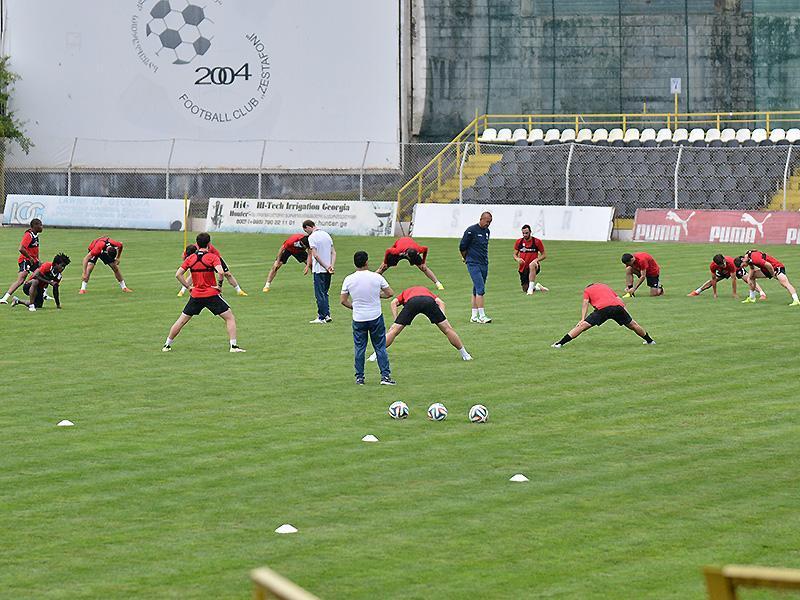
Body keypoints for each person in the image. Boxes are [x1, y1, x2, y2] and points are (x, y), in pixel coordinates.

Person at [163, 233, 245, 352]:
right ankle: (233, 346)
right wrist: (219, 286)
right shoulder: (212, 257)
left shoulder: (190, 258)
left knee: (181, 321)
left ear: (197, 243)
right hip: (211, 294)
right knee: (229, 318)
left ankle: (167, 345)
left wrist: (188, 287)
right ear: (209, 243)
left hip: (196, 295)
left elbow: (178, 274)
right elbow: (221, 272)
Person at [369, 285, 472, 362]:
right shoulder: (427, 291)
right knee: (447, 329)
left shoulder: (405, 293)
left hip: (412, 302)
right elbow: (441, 302)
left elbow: (393, 302)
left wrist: (396, 320)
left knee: (393, 331)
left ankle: (375, 355)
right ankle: (465, 354)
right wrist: (442, 317)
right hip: (428, 301)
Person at [340, 250, 395, 385]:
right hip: (375, 316)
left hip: (359, 318)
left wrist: (355, 307)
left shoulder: (349, 279)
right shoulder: (376, 277)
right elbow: (389, 293)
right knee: (380, 347)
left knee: (360, 348)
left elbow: (343, 300)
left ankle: (360, 377)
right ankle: (385, 376)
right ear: (366, 262)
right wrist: (377, 295)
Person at [551, 283, 655, 348]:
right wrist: (626, 313)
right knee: (633, 325)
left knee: (582, 326)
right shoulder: (605, 286)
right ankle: (650, 341)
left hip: (602, 309)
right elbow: (618, 299)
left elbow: (585, 303)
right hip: (617, 307)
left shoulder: (587, 290)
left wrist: (582, 319)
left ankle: (559, 343)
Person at [177, 241, 248, 297]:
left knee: (227, 274)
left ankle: (239, 290)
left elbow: (218, 257)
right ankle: (182, 290)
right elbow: (184, 255)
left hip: (215, 260)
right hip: (202, 261)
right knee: (194, 274)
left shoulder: (211, 248)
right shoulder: (193, 247)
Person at [1, 218, 43, 304]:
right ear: (35, 226)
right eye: (40, 225)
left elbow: (35, 249)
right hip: (25, 260)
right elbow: (21, 248)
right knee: (21, 280)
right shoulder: (28, 235)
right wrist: (29, 258)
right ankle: (4, 298)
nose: (42, 227)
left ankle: (43, 294)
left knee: (42, 274)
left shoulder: (36, 235)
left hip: (32, 260)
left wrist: (37, 260)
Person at [460, 211, 492, 323]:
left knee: (476, 289)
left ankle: (474, 316)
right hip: (473, 263)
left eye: (490, 222)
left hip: (484, 263)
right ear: (481, 219)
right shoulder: (471, 230)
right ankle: (482, 316)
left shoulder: (487, 231)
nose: (488, 224)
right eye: (487, 221)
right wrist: (466, 258)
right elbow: (462, 246)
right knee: (480, 288)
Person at [376, 236, 444, 290]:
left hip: (410, 248)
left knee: (424, 268)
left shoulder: (418, 249)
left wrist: (423, 263)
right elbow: (388, 251)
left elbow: (425, 249)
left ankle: (438, 283)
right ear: (406, 255)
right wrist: (385, 262)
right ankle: (371, 279)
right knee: (383, 268)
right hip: (400, 249)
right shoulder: (397, 250)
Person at [687, 254, 765, 299]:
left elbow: (733, 279)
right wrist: (715, 293)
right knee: (712, 281)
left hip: (736, 269)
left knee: (748, 279)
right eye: (721, 265)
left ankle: (762, 294)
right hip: (723, 271)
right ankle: (697, 291)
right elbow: (713, 279)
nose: (723, 265)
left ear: (724, 260)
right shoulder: (713, 266)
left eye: (723, 263)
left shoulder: (730, 263)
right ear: (717, 264)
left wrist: (734, 293)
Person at [306, 219, 336, 323]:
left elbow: (315, 255)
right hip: (328, 270)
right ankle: (327, 315)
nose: (307, 233)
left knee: (319, 294)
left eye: (306, 230)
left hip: (319, 269)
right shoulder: (326, 235)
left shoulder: (312, 237)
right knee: (325, 293)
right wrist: (331, 266)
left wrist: (326, 266)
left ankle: (321, 317)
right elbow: (333, 252)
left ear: (308, 227)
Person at [513, 224, 549, 295]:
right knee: (525, 288)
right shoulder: (519, 242)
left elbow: (544, 255)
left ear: (530, 232)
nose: (525, 235)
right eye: (523, 233)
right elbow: (514, 254)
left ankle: (530, 290)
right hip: (523, 268)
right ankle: (537, 287)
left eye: (526, 233)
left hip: (534, 266)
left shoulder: (537, 241)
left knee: (532, 265)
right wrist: (517, 259)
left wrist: (536, 260)